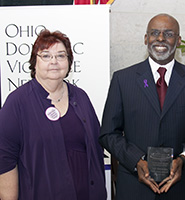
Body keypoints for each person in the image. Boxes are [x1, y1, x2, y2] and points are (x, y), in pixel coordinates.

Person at [99, 13, 185, 200]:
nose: (161, 38)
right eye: (155, 33)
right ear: (146, 38)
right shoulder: (123, 80)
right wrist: (135, 160)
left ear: (178, 41)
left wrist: (183, 158)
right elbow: (108, 133)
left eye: (168, 34)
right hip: (133, 187)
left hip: (180, 188)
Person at [0, 29, 107, 200]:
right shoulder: (17, 102)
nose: (54, 61)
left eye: (61, 55)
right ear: (35, 62)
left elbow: (95, 146)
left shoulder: (80, 97)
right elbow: (5, 160)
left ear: (69, 62)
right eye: (46, 56)